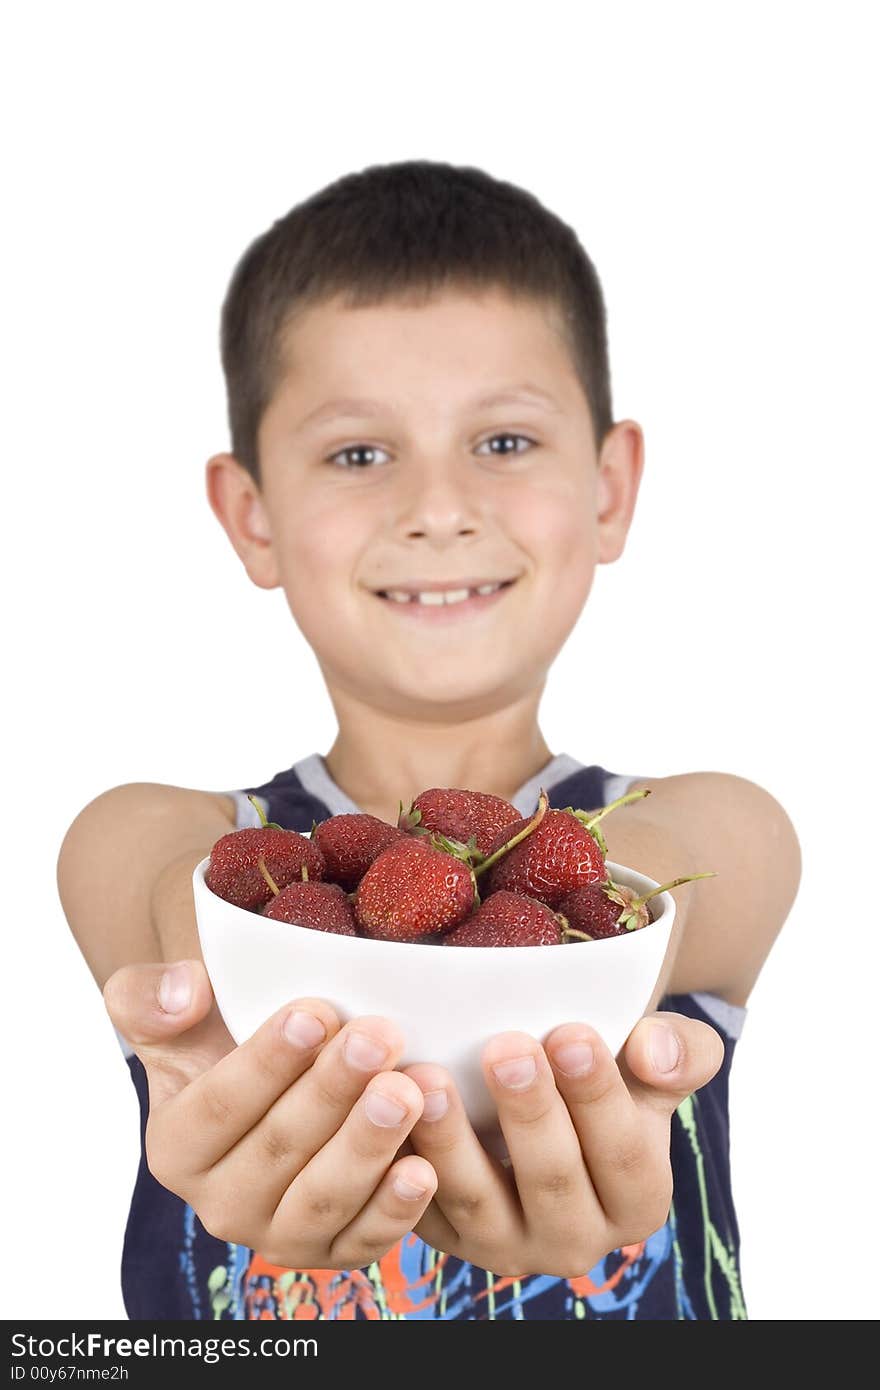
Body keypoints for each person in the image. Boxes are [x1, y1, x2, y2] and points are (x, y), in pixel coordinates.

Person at [57, 159, 801, 1321]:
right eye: (359, 454)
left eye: (503, 442)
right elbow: (181, 902)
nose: (438, 505)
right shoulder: (171, 835)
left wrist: (560, 923)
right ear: (251, 516)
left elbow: (650, 883)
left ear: (609, 489)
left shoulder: (717, 825)